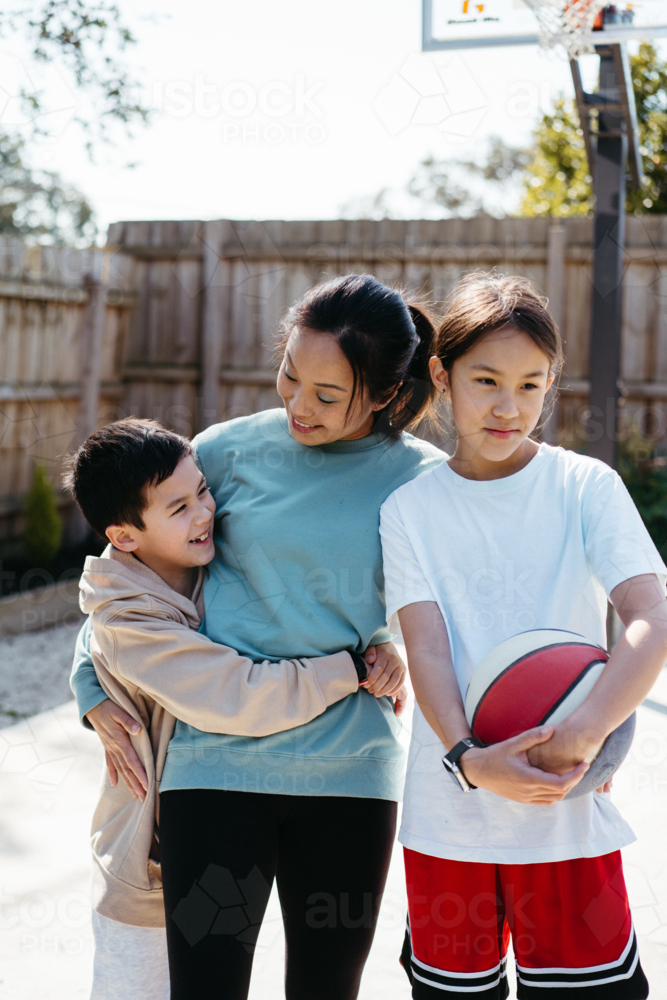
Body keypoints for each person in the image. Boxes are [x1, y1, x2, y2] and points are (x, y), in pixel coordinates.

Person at [70, 273, 447, 1000]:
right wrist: (90, 686)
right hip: (213, 770)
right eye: (288, 375)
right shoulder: (223, 452)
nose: (298, 406)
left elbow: (453, 613)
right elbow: (130, 581)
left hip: (348, 771)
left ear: (384, 395)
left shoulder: (422, 483)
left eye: (327, 396)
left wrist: (394, 646)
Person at [380, 272, 667, 999]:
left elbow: (651, 614)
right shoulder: (408, 509)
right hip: (450, 814)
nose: (509, 407)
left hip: (563, 807)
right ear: (441, 377)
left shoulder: (585, 487)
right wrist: (469, 760)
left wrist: (580, 732)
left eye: (532, 386)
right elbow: (429, 650)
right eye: (485, 381)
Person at [64, 417, 368, 1000]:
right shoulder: (128, 616)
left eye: (202, 490)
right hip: (147, 865)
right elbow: (237, 695)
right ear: (125, 535)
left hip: (219, 827)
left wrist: (88, 685)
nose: (205, 512)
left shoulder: (205, 560)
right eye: (178, 509)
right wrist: (348, 670)